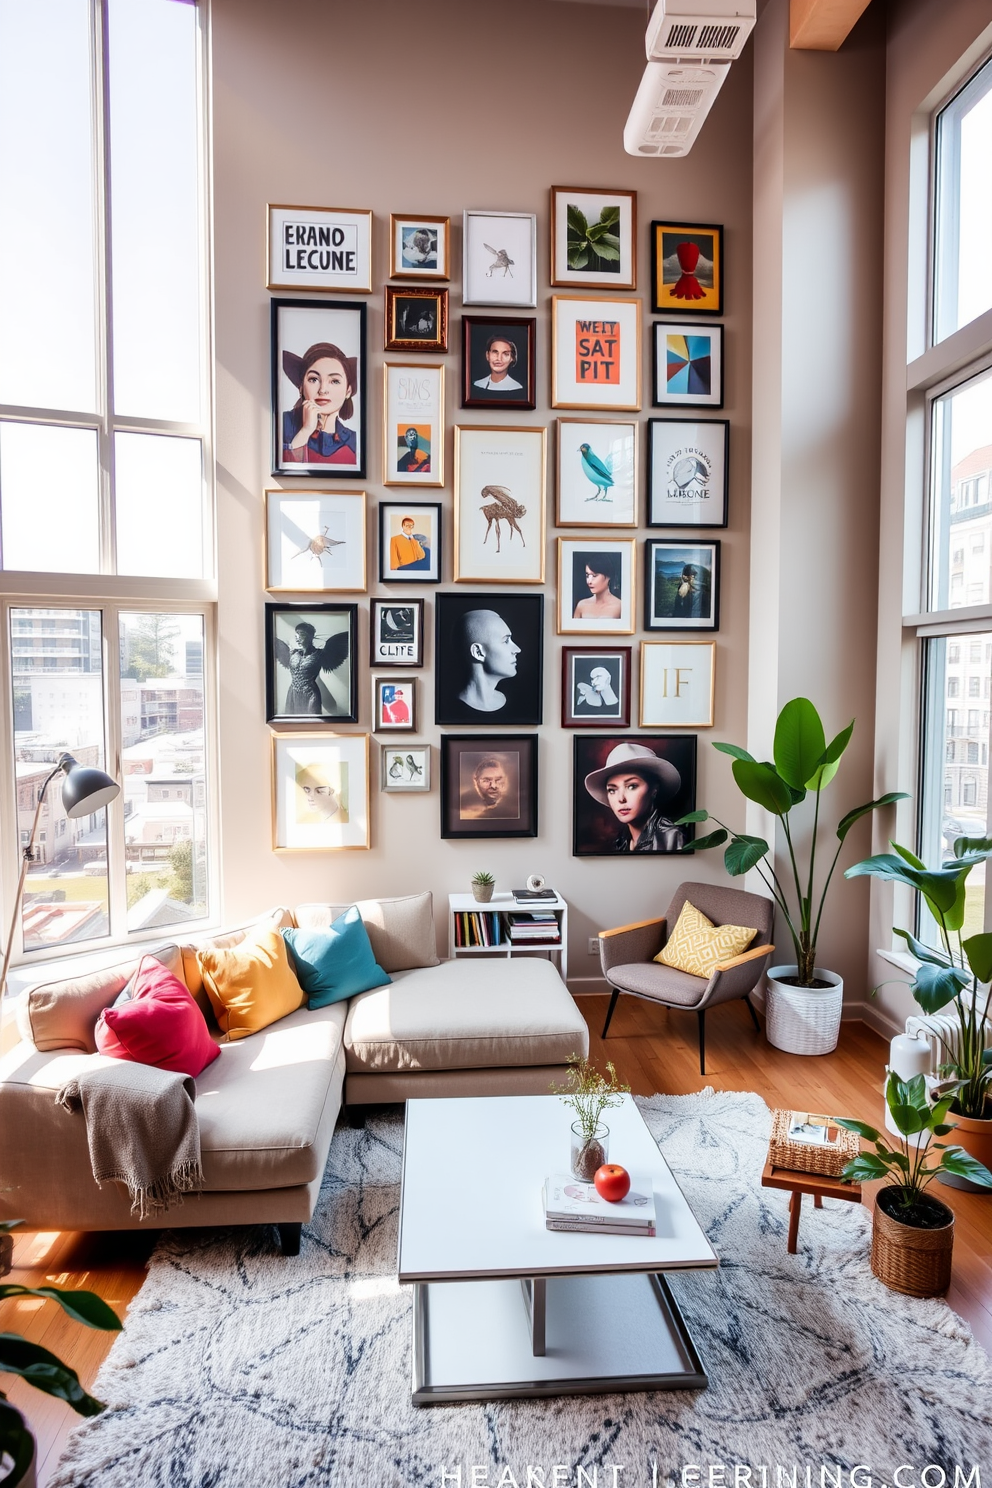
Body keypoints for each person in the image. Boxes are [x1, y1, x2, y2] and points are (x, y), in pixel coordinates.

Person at [583, 741, 685, 853]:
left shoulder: (670, 837)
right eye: (612, 790)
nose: (621, 799)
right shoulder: (621, 840)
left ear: (654, 790)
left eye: (632, 786)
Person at [282, 342, 358, 466]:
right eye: (314, 379)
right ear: (301, 388)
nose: (323, 390)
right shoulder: (281, 424)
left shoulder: (354, 441)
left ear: (348, 391)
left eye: (334, 381)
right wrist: (306, 431)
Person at [456, 609, 520, 713]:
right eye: (506, 641)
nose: (517, 649)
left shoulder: (518, 704)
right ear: (478, 652)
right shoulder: (455, 711)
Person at [573, 555, 622, 621]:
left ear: (608, 576)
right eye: (587, 576)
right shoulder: (581, 605)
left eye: (594, 576)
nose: (589, 581)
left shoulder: (620, 606)